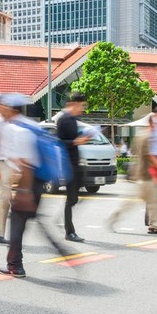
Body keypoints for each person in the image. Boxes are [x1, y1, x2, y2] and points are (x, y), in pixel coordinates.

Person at [0, 94, 42, 278]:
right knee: (22, 224)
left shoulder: (14, 128)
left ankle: (16, 266)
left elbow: (25, 163)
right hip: (39, 182)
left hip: (28, 183)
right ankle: (15, 263)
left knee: (17, 225)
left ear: (11, 108)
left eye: (2, 106)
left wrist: (23, 192)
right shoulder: (33, 125)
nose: (0, 109)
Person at [108, 115, 157, 234]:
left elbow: (134, 152)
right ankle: (155, 226)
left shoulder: (140, 135)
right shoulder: (149, 137)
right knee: (154, 201)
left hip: (140, 175)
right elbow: (151, 156)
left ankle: (115, 217)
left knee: (140, 202)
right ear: (153, 124)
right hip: (148, 175)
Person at [56, 92, 91, 243]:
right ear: (73, 104)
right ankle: (69, 232)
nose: (82, 109)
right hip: (67, 163)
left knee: (75, 196)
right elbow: (60, 142)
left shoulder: (73, 119)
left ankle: (64, 221)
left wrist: (85, 137)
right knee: (71, 199)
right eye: (81, 106)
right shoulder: (63, 119)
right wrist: (75, 142)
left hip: (76, 162)